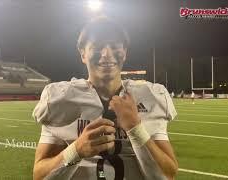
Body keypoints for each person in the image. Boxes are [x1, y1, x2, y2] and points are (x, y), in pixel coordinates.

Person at [32, 17, 178, 180]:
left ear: (124, 53)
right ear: (83, 54)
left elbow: (167, 176)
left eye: (114, 46)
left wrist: (135, 128)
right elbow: (40, 176)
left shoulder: (150, 96)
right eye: (97, 46)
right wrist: (76, 151)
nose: (107, 54)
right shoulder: (60, 99)